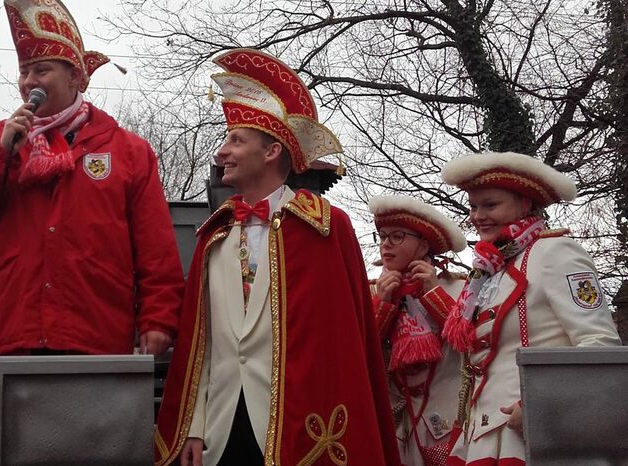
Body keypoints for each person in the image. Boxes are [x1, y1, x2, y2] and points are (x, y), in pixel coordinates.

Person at [154, 48, 401, 466]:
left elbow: (344, 346)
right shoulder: (214, 234)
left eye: (235, 140)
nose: (221, 152)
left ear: (271, 152)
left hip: (301, 427)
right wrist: (193, 425)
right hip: (221, 425)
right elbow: (201, 343)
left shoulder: (326, 226)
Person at [0, 0, 183, 360]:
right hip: (12, 337)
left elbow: (155, 248)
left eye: (41, 71)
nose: (29, 82)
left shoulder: (127, 151)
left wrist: (158, 319)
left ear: (75, 76)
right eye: (24, 71)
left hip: (96, 337)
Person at [439, 152, 622, 466]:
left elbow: (599, 346)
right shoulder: (487, 273)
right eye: (473, 206)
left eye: (490, 204)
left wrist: (539, 405)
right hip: (484, 436)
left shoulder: (555, 251)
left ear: (525, 205)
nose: (476, 216)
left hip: (536, 435)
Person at [369, 195, 467, 466]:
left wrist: (434, 292)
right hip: (392, 426)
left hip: (449, 422)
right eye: (382, 236)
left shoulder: (458, 289)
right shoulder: (370, 293)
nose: (386, 244)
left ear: (424, 243)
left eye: (397, 236)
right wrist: (383, 305)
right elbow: (358, 356)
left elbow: (473, 345)